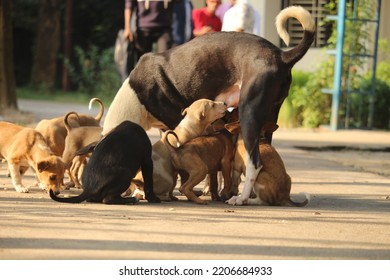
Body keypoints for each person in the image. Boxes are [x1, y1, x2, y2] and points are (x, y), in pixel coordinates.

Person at [123, 0, 176, 74]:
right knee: (142, 64)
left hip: (164, 29)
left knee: (164, 61)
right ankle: (142, 84)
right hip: (143, 30)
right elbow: (129, 6)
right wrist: (127, 28)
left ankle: (162, 84)